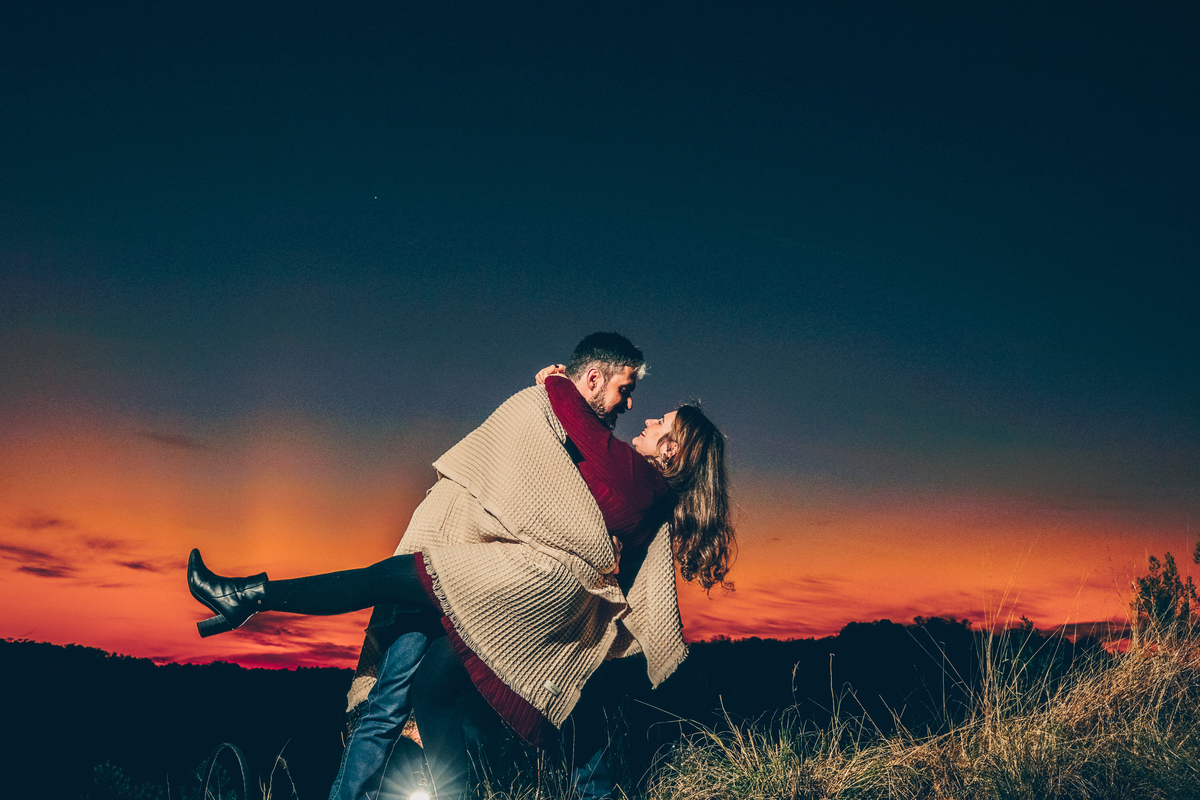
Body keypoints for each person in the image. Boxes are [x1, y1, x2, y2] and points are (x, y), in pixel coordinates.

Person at [187, 332, 734, 800]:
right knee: (419, 693)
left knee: (389, 590)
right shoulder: (604, 456)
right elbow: (542, 473)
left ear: (674, 452)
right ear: (597, 380)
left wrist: (554, 386)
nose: (640, 409)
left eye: (661, 418)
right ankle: (246, 599)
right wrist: (555, 398)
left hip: (514, 584)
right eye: (628, 391)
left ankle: (249, 596)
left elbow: (584, 468)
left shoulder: (637, 481)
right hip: (479, 562)